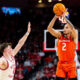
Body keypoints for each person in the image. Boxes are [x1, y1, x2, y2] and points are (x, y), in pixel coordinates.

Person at [47, 9, 77, 80]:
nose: (64, 29)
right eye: (64, 27)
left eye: (66, 27)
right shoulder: (59, 36)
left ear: (70, 29)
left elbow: (72, 28)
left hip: (71, 64)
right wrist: (55, 17)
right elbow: (49, 28)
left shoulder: (73, 37)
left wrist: (65, 18)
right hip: (61, 64)